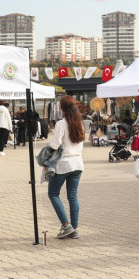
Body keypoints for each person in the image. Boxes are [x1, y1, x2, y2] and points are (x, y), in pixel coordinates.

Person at [47, 96, 85, 239]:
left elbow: (55, 144)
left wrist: (46, 155)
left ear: (61, 108)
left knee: (53, 193)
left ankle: (66, 225)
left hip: (63, 164)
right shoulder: (80, 123)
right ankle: (73, 229)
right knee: (72, 196)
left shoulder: (61, 123)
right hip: (78, 163)